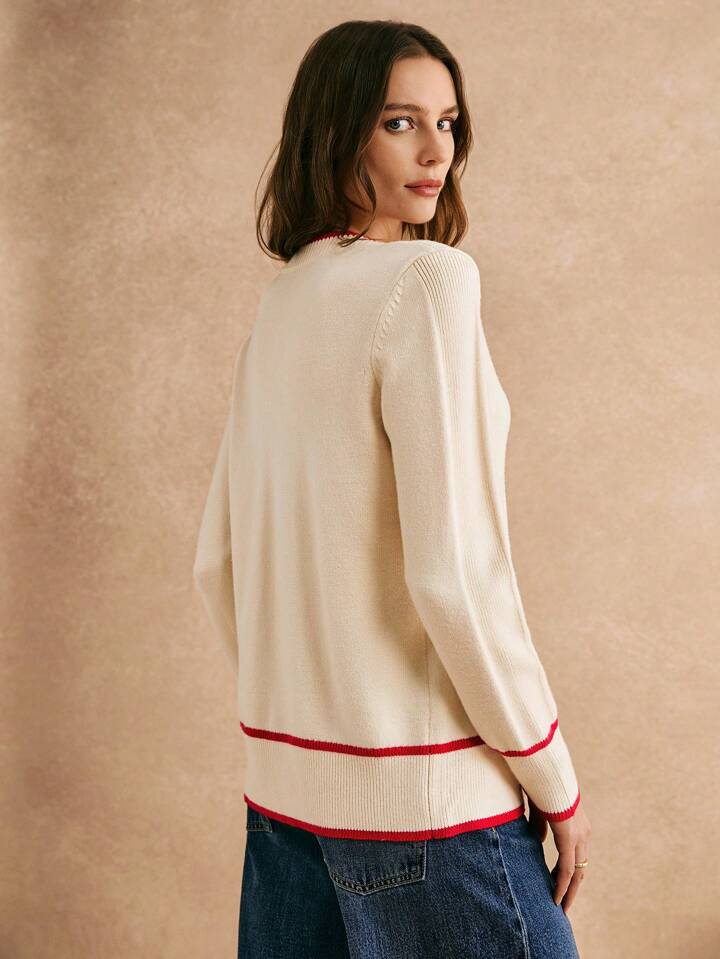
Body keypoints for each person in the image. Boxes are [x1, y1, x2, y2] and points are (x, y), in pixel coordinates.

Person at [192, 17, 591, 959]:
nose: (436, 153)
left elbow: (218, 561)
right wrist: (553, 775)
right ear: (338, 130)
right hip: (429, 813)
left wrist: (309, 723)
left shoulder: (285, 300)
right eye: (399, 122)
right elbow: (454, 572)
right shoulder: (429, 280)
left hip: (282, 810)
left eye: (447, 123)